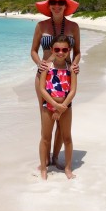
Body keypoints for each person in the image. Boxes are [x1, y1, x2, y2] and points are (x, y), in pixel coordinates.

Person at [30, 0, 81, 168]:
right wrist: (39, 63)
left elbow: (78, 52)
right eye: (54, 3)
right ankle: (44, 159)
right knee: (46, 117)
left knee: (62, 116)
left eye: (61, 3)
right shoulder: (41, 26)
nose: (57, 6)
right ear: (49, 6)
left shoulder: (73, 27)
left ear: (66, 6)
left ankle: (55, 158)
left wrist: (74, 64)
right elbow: (34, 51)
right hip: (44, 77)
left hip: (66, 76)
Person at [39, 35, 77, 180]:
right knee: (45, 138)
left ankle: (68, 168)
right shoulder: (46, 66)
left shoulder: (71, 68)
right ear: (51, 49)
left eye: (64, 49)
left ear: (69, 50)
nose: (61, 52)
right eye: (57, 49)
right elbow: (42, 89)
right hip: (48, 106)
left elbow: (73, 90)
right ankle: (43, 168)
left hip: (66, 107)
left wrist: (62, 107)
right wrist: (55, 105)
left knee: (67, 138)